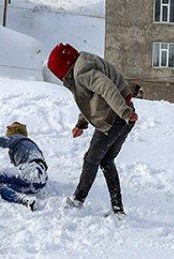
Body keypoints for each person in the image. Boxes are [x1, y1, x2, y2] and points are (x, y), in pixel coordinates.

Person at [47, 43, 137, 215]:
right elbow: (88, 100)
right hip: (120, 117)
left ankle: (78, 200)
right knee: (106, 161)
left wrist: (124, 112)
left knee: (91, 159)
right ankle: (117, 210)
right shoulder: (83, 63)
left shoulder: (81, 72)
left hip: (115, 118)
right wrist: (82, 123)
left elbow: (106, 87)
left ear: (62, 69)